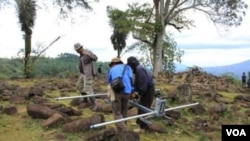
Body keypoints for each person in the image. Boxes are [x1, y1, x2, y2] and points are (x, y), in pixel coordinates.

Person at [127, 56, 155, 130]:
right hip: (146, 89)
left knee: (144, 108)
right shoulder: (139, 68)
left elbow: (143, 85)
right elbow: (138, 83)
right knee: (142, 106)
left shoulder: (140, 69)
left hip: (148, 90)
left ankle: (143, 127)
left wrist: (137, 94)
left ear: (132, 64)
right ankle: (140, 123)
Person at [107, 57, 134, 132]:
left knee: (117, 113)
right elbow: (131, 80)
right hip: (127, 92)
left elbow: (109, 82)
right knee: (124, 110)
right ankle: (122, 128)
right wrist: (132, 91)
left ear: (113, 63)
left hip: (117, 92)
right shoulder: (127, 68)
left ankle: (123, 131)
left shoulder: (111, 69)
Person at [74, 42, 98, 111]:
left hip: (88, 73)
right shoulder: (81, 55)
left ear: (81, 47)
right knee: (79, 85)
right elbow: (82, 64)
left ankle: (94, 104)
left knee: (88, 89)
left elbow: (95, 58)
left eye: (78, 49)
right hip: (83, 73)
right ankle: (85, 99)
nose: (77, 51)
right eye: (76, 50)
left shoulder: (87, 52)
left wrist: (88, 54)